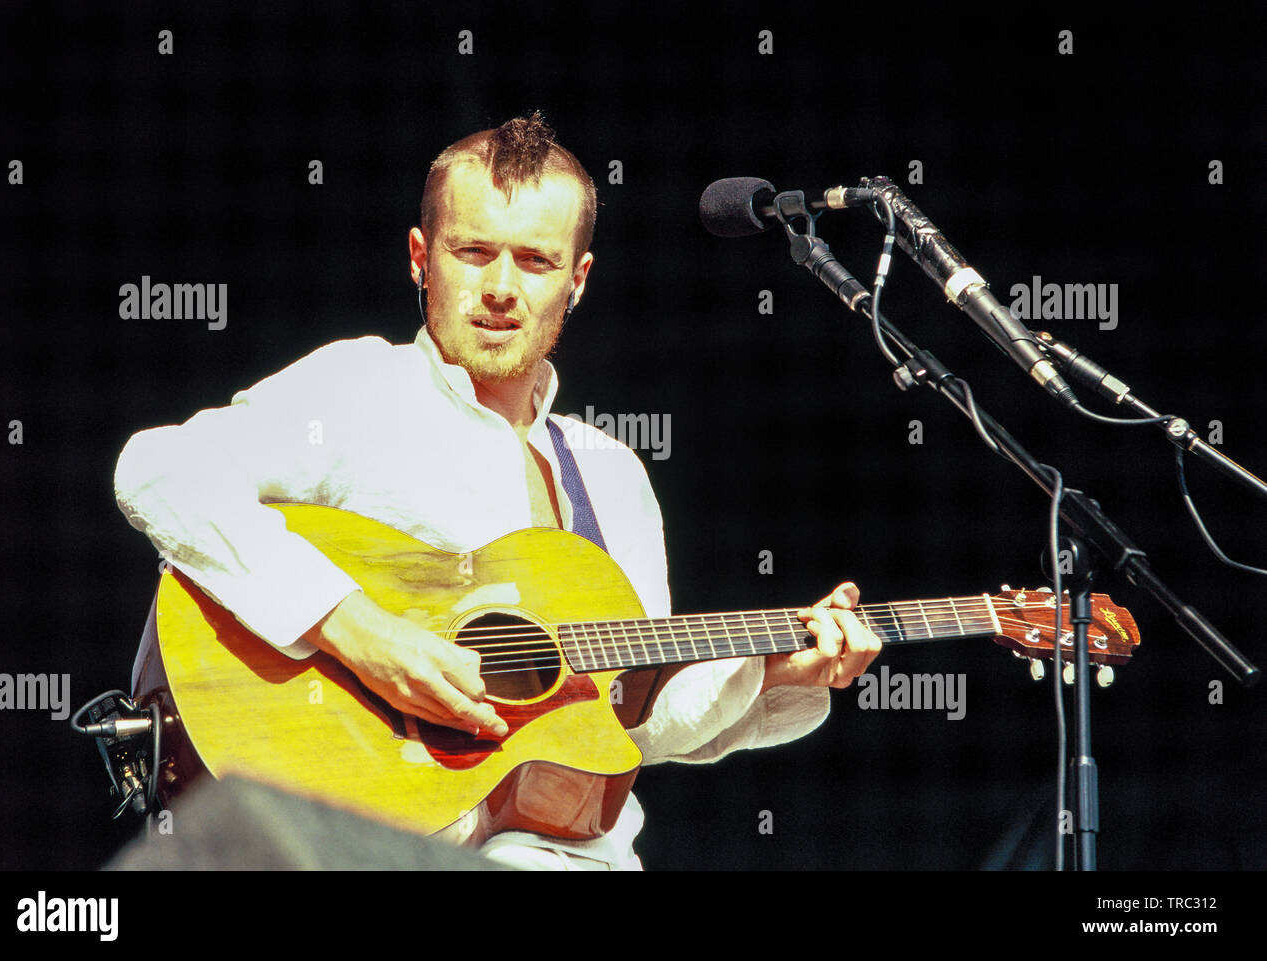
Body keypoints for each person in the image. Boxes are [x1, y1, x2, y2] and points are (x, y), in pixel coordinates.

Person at [114, 112, 882, 869]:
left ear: (578, 279)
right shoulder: (362, 388)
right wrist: (363, 634)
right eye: (472, 252)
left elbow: (625, 720)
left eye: (536, 261)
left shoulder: (611, 473)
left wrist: (772, 673)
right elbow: (160, 471)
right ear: (420, 257)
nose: (501, 288)